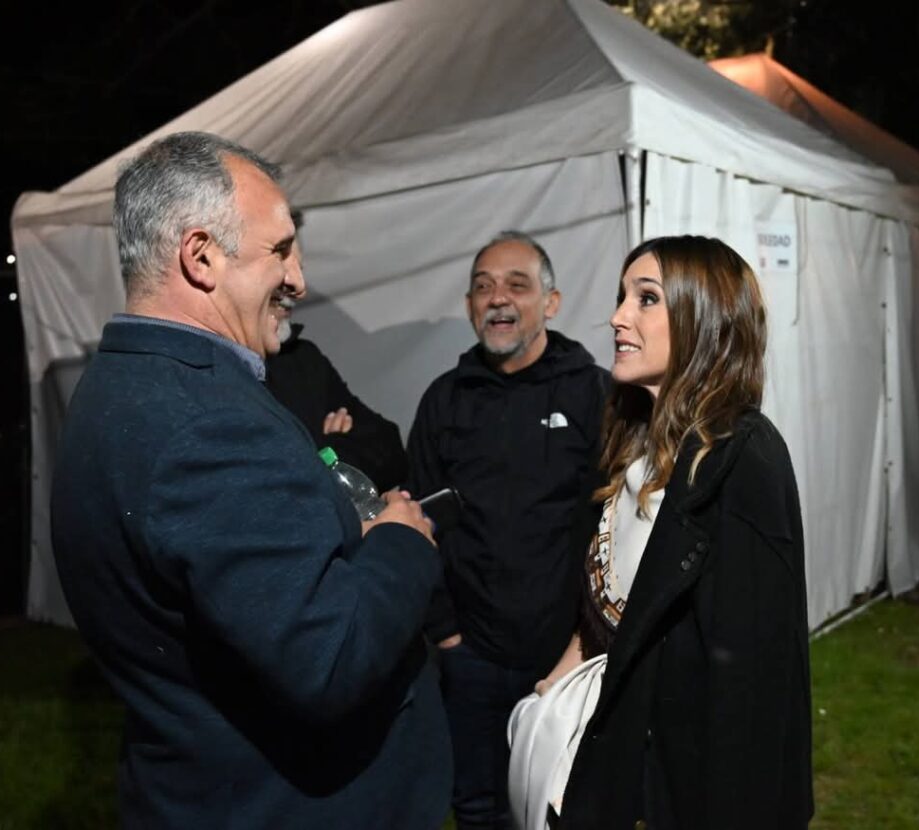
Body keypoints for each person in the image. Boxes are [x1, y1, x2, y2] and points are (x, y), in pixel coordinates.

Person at [50, 131, 452, 829]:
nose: (299, 278)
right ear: (201, 255)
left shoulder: (121, 384)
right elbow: (330, 659)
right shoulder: (201, 420)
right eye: (280, 250)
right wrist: (400, 539)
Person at [509, 235, 813, 830]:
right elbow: (611, 594)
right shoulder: (631, 439)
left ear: (705, 319)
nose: (618, 317)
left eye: (646, 299)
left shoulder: (743, 457)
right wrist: (557, 683)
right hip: (601, 759)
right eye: (622, 296)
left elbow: (750, 681)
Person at [407, 231, 610, 829]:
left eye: (517, 285)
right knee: (478, 809)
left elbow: (615, 523)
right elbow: (416, 520)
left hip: (570, 658)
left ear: (551, 302)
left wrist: (588, 639)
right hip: (472, 662)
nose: (498, 299)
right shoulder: (444, 402)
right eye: (483, 286)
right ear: (470, 306)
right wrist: (446, 637)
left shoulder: (594, 393)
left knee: (569, 809)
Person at [265, 211, 408, 491]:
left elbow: (391, 452)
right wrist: (327, 449)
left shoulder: (304, 360)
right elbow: (277, 490)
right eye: (281, 270)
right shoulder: (216, 370)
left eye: (300, 269)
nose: (297, 287)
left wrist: (330, 451)